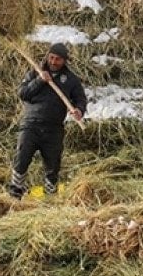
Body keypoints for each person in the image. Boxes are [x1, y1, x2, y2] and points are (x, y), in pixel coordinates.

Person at [7, 42, 87, 199]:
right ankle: (15, 193)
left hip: (54, 129)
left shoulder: (71, 80)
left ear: (64, 60)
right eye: (51, 57)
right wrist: (39, 80)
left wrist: (79, 110)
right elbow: (23, 93)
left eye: (58, 59)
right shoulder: (34, 73)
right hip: (30, 125)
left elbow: (80, 99)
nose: (53, 62)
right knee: (22, 158)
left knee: (52, 165)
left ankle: (50, 198)